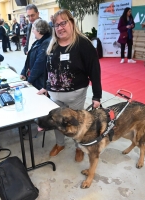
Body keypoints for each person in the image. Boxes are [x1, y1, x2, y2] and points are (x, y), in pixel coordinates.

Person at [38, 9, 102, 162]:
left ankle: (78, 147)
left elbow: (94, 71)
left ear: (72, 23)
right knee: (56, 120)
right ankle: (60, 144)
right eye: (56, 25)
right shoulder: (51, 44)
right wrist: (46, 86)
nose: (60, 28)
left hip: (76, 95)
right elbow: (48, 68)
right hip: (54, 95)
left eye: (63, 23)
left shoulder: (84, 44)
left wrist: (97, 96)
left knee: (75, 123)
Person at [20, 19, 51, 90]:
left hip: (40, 82)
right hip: (35, 79)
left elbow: (39, 64)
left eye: (33, 29)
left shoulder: (46, 43)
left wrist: (29, 80)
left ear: (39, 30)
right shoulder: (38, 42)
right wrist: (24, 72)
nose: (32, 31)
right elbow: (29, 58)